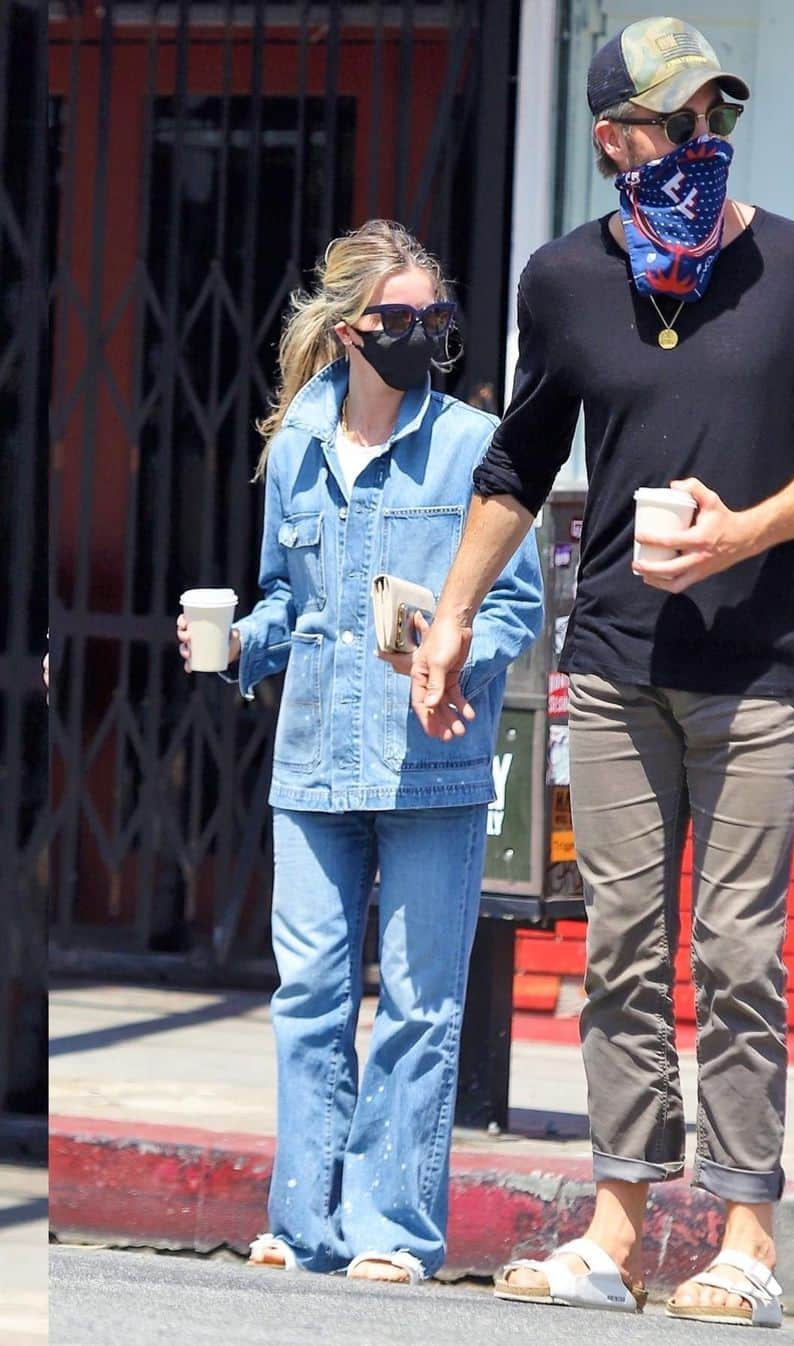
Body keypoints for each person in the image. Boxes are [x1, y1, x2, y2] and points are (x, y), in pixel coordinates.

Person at [411, 16, 794, 1327]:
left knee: (738, 953)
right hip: (617, 663)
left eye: (707, 120)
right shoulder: (564, 281)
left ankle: (746, 1243)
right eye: (667, 124)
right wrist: (453, 614)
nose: (693, 143)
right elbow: (519, 461)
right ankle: (616, 1231)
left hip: (756, 669)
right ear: (612, 140)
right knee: (623, 948)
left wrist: (745, 529)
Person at [176, 220, 542, 1284]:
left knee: (422, 1004)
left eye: (437, 318)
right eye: (399, 319)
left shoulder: (473, 446)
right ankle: (305, 1222)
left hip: (430, 761)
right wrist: (242, 644)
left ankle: (393, 1230)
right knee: (311, 994)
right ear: (346, 332)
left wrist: (458, 650)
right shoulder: (294, 446)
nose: (422, 335)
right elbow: (288, 596)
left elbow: (515, 605)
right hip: (313, 761)